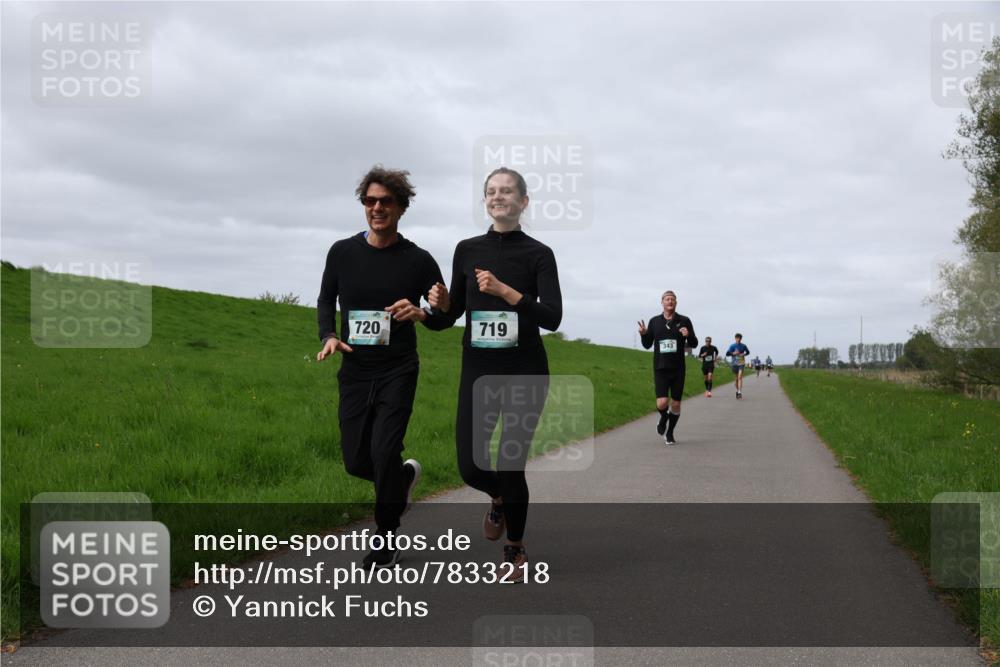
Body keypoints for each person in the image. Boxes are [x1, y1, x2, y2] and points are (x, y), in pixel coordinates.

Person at [429, 167, 562, 583]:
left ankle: (516, 550)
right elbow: (449, 316)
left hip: (525, 370)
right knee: (469, 466)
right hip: (479, 370)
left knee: (510, 461)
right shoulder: (467, 249)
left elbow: (552, 317)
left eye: (507, 191)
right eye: (491, 191)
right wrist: (439, 304)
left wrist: (506, 292)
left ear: (524, 201)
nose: (497, 197)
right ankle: (498, 499)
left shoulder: (540, 253)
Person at [316, 165, 452, 568]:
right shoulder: (342, 252)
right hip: (355, 370)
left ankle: (385, 538)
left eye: (385, 201)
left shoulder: (418, 260)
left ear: (401, 207)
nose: (377, 208)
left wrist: (428, 311)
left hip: (398, 370)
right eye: (370, 201)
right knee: (357, 461)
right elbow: (326, 299)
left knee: (383, 450)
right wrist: (328, 335)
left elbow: (444, 314)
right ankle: (403, 479)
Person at [638, 291, 698, 445]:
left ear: (676, 303)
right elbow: (646, 345)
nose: (670, 301)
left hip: (678, 368)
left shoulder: (684, 320)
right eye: (667, 299)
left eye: (672, 299)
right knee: (662, 403)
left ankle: (670, 432)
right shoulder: (654, 322)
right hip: (660, 367)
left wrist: (688, 334)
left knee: (676, 403)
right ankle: (663, 418)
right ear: (662, 302)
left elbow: (694, 343)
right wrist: (644, 334)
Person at [725, 333, 750, 399]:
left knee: (740, 377)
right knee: (736, 379)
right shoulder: (732, 346)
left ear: (741, 339)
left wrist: (743, 354)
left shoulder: (743, 346)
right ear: (735, 338)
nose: (738, 339)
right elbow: (727, 354)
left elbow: (748, 352)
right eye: (737, 338)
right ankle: (737, 390)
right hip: (734, 364)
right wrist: (733, 353)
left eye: (739, 338)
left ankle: (739, 392)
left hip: (741, 363)